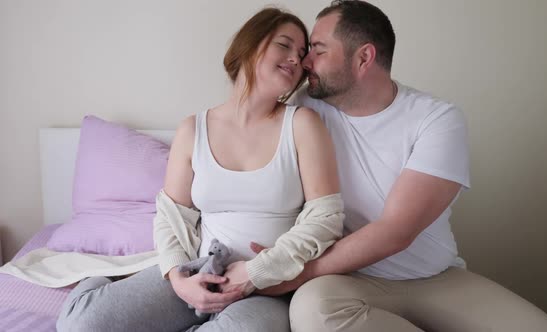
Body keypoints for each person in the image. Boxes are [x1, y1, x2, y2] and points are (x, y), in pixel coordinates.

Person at [249, 1, 547, 331]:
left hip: (436, 280)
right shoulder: (305, 109)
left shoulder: (436, 119)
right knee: (313, 309)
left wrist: (304, 271)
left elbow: (396, 231)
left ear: (363, 57)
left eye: (318, 49)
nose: (305, 61)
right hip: (347, 284)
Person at [56, 7, 344, 332]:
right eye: (285, 45)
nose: (297, 58)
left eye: (302, 53)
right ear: (250, 46)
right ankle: (100, 284)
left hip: (266, 288)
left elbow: (325, 219)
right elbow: (171, 214)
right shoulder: (194, 129)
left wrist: (257, 271)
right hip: (199, 272)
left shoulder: (302, 124)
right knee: (82, 324)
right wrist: (179, 278)